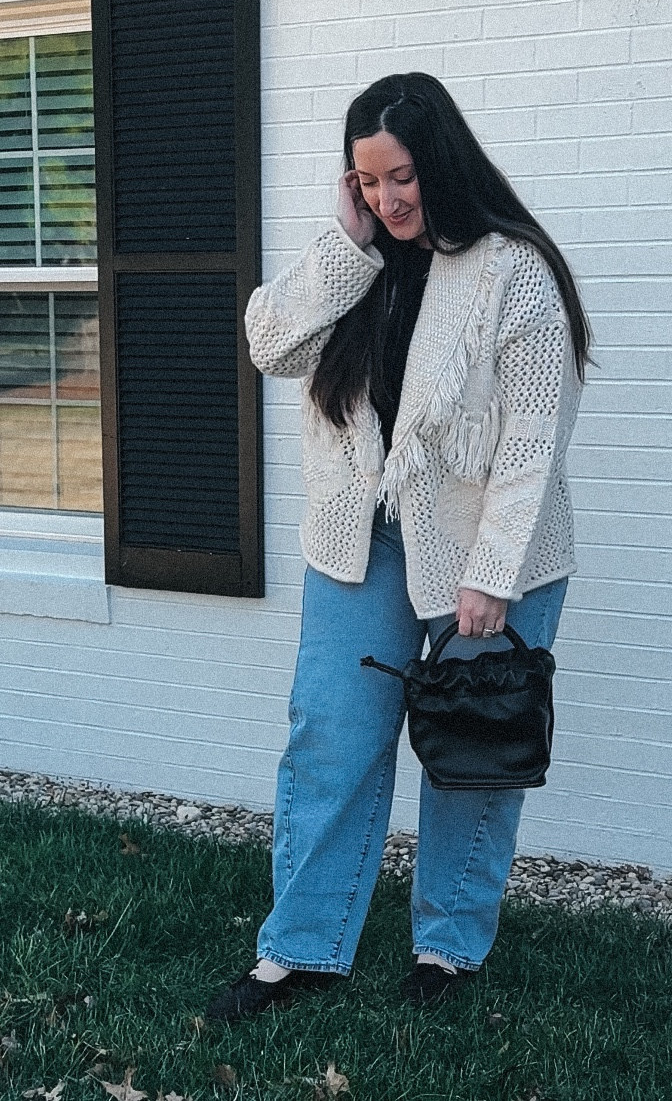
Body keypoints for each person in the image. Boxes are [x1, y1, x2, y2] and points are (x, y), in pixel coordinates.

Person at [205, 72, 590, 1019]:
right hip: (360, 540)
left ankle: (446, 953)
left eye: (402, 177)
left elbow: (534, 437)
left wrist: (491, 578)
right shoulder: (358, 256)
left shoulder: (514, 270)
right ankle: (298, 951)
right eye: (366, 181)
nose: (387, 198)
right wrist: (346, 245)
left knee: (472, 751)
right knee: (328, 737)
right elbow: (268, 343)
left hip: (492, 550)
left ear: (443, 162)